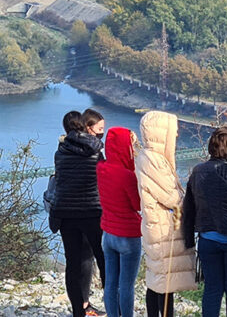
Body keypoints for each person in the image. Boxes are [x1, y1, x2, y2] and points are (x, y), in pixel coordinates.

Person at [182, 127, 227, 317]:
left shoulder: (198, 172)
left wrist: (188, 239)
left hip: (207, 240)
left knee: (212, 289)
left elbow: (189, 208)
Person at [136, 111, 197, 317]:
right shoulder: (155, 161)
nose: (177, 135)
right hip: (163, 229)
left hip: (155, 225)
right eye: (174, 131)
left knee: (157, 278)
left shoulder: (146, 156)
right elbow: (173, 198)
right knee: (164, 281)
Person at [51, 111, 106, 317]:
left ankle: (79, 310)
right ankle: (112, 304)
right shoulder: (95, 153)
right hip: (93, 211)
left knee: (74, 262)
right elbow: (102, 179)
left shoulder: (60, 152)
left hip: (66, 213)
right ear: (85, 127)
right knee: (102, 259)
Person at [97, 126, 142, 317]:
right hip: (128, 236)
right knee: (126, 285)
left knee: (111, 283)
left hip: (108, 234)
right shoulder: (127, 176)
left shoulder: (101, 169)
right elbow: (137, 204)